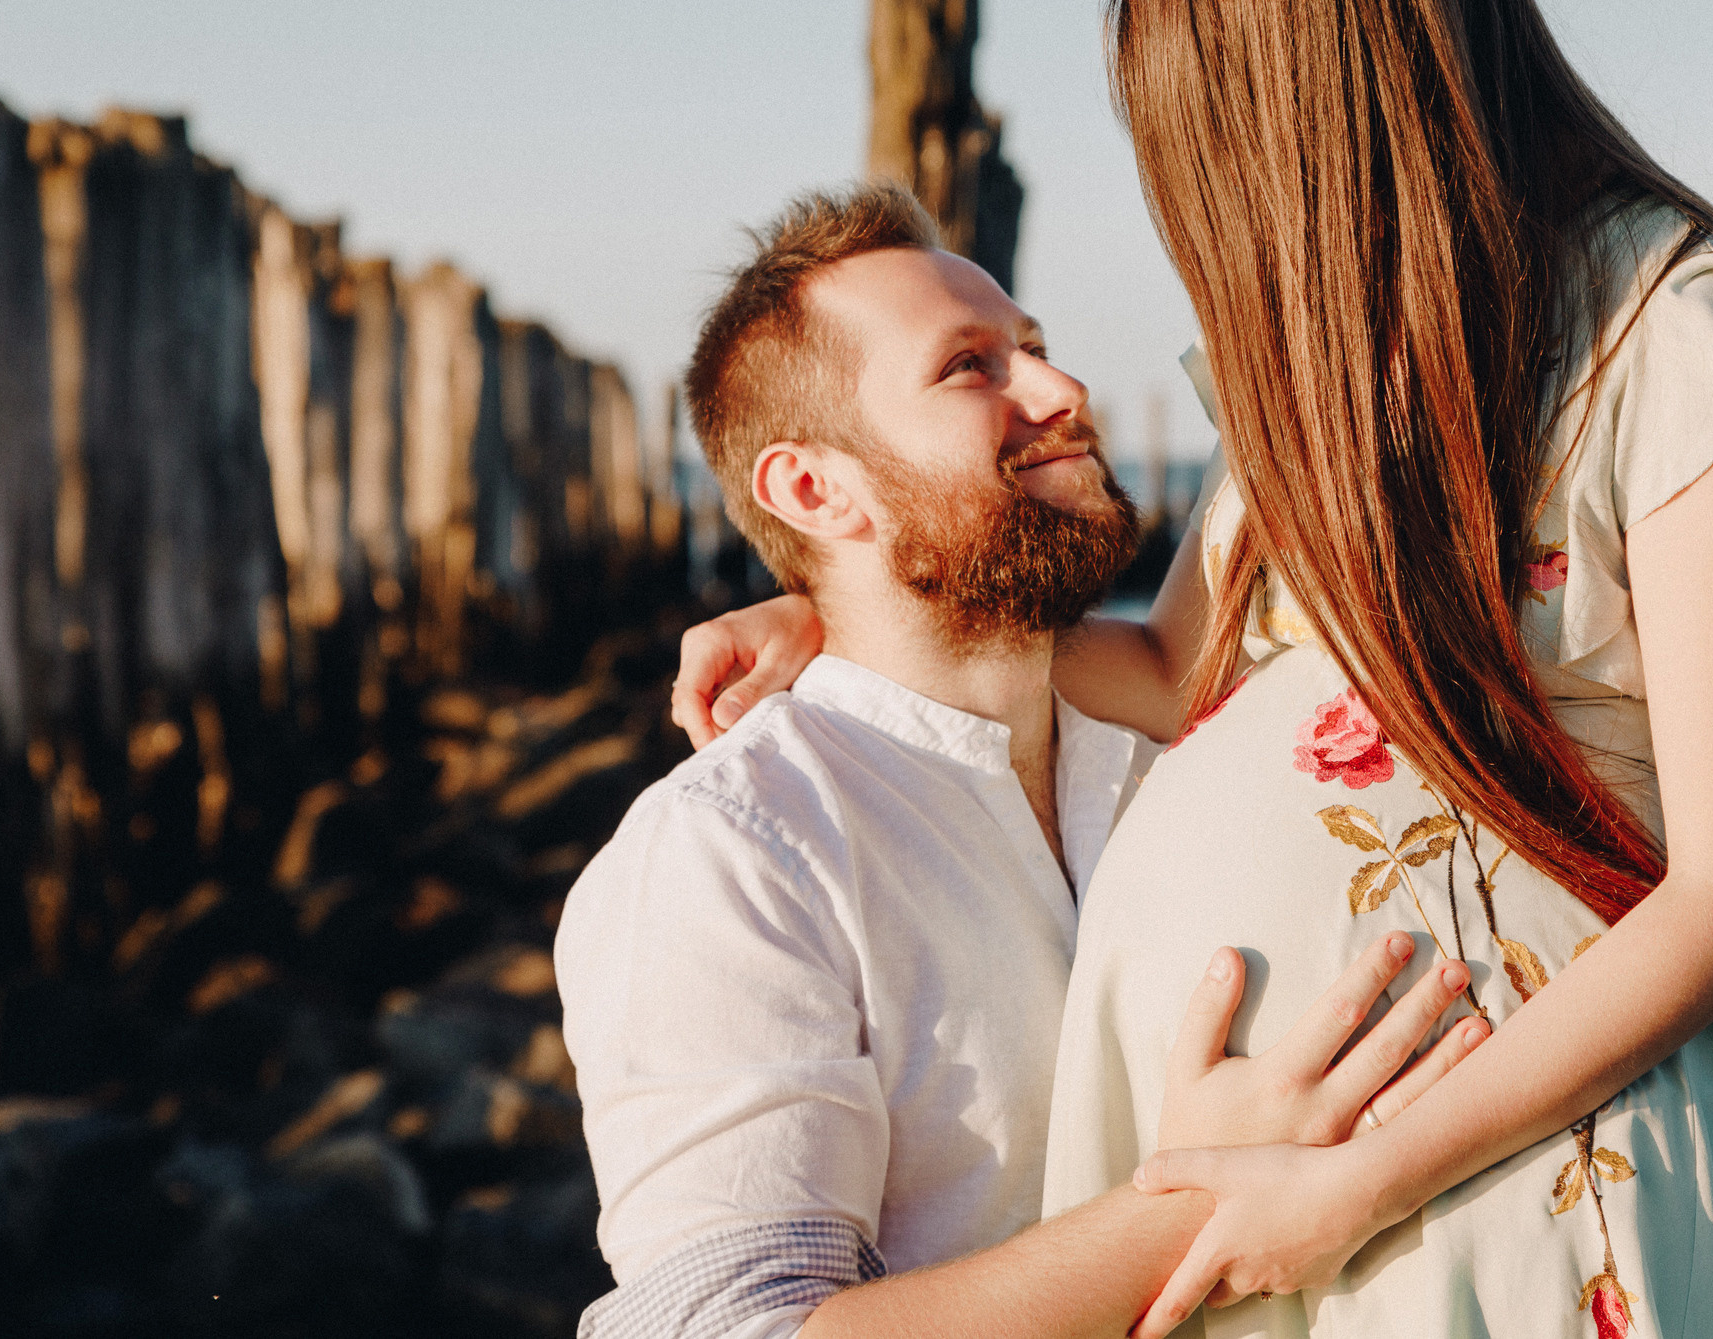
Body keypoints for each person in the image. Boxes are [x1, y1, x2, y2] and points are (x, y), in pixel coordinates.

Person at [674, 0, 1713, 1338]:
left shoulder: (1678, 338)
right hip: (1308, 1200)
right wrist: (849, 609)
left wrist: (1356, 1183)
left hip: (1514, 1172)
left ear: (1320, 94)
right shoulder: (1326, 376)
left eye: (1207, 133)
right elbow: (1182, 669)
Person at [558, 185, 1488, 1339]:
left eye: (1036, 351)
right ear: (812, 489)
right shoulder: (733, 852)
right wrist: (1209, 1194)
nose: (1062, 393)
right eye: (970, 368)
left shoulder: (1182, 753)